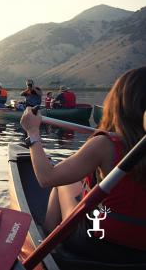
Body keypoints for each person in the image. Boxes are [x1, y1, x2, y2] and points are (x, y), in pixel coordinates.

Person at [20, 67, 146, 261]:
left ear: (120, 103)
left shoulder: (105, 145)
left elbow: (46, 178)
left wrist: (33, 133)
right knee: (75, 183)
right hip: (141, 247)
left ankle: (47, 243)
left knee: (60, 182)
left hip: (100, 244)